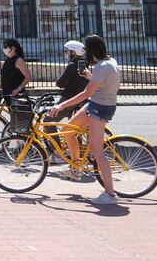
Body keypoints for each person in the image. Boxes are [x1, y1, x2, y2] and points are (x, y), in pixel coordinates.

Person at [48, 34, 121, 204]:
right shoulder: (110, 62)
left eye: (87, 50)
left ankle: (110, 194)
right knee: (68, 130)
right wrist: (90, 76)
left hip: (99, 109)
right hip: (95, 105)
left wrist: (61, 106)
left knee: (97, 152)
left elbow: (86, 93)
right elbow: (109, 83)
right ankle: (76, 169)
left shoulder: (102, 67)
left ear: (91, 51)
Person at [55, 40, 89, 115]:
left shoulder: (72, 64)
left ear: (73, 52)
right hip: (82, 97)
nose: (65, 53)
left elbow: (60, 83)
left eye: (67, 51)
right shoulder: (83, 63)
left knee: (48, 122)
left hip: (70, 97)